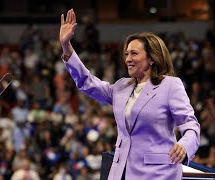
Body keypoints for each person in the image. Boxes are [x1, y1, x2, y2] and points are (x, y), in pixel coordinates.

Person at [59, 9, 200, 180]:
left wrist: (184, 146)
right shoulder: (121, 87)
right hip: (121, 173)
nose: (127, 59)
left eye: (134, 53)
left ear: (152, 58)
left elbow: (191, 126)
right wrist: (66, 46)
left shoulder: (170, 85)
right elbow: (87, 81)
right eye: (126, 54)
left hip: (158, 174)